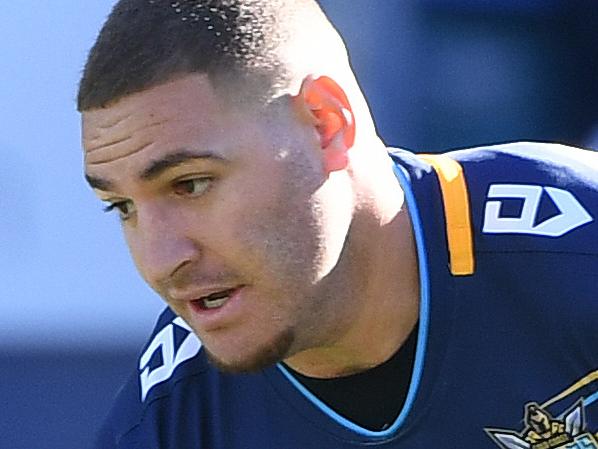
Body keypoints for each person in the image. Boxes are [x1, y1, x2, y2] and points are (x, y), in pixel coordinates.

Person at [78, 1, 598, 448]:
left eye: (191, 184)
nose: (162, 259)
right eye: (122, 207)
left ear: (327, 123)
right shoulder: (171, 421)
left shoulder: (577, 248)